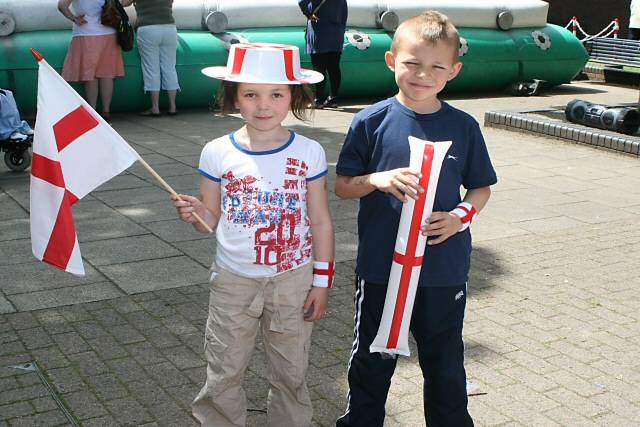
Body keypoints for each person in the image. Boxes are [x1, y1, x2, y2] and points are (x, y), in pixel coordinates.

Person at [334, 11, 497, 427]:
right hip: (381, 268)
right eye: (412, 63)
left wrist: (460, 217)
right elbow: (344, 185)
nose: (423, 74)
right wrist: (376, 178)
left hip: (443, 271)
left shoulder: (463, 126)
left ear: (453, 72)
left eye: (436, 67)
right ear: (392, 61)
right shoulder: (371, 121)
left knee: (444, 363)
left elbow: (481, 188)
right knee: (373, 358)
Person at [172, 43, 335, 427]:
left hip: (294, 279)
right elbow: (209, 221)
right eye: (251, 94)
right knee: (224, 370)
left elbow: (322, 220)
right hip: (233, 281)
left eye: (276, 94)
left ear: (294, 96)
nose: (264, 105)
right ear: (234, 98)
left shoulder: (309, 152)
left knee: (291, 371)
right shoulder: (216, 152)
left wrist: (322, 282)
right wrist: (194, 214)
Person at [57, 0, 125, 119]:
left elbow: (62, 6)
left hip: (86, 32)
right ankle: (106, 110)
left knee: (91, 75)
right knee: (107, 75)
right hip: (109, 33)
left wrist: (74, 18)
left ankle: (92, 111)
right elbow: (123, 3)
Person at [120, 0, 179, 116]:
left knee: (152, 70)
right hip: (169, 28)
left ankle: (155, 108)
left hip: (148, 28)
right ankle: (173, 106)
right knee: (170, 68)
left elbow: (123, 3)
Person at [298, 0, 348, 109]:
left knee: (319, 68)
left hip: (319, 31)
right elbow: (344, 14)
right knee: (334, 67)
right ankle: (333, 98)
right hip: (336, 33)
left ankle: (318, 99)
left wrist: (309, 14)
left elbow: (301, 2)